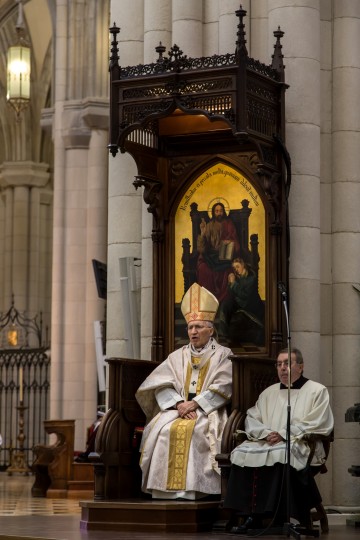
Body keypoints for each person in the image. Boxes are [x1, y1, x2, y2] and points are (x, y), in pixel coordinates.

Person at [135, 282, 232, 500]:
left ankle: (194, 491)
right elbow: (160, 383)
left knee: (197, 432)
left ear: (211, 329)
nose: (193, 331)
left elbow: (224, 385)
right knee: (162, 430)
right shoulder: (177, 355)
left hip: (208, 410)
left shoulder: (223, 354)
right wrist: (179, 404)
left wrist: (195, 404)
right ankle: (163, 491)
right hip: (178, 408)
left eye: (198, 326)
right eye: (190, 327)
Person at [224, 347, 334, 533]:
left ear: (301, 367)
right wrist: (266, 433)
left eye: (287, 363)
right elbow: (252, 417)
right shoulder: (269, 392)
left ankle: (273, 516)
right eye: (279, 364)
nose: (282, 368)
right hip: (267, 441)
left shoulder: (317, 390)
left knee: (280, 453)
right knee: (242, 453)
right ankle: (249, 515)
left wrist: (284, 433)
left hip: (301, 443)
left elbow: (319, 421)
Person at [197, 202, 240, 302]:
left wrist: (231, 243)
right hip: (211, 256)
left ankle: (224, 301)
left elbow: (236, 244)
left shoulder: (229, 224)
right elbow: (202, 249)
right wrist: (203, 234)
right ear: (213, 212)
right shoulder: (209, 226)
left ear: (224, 212)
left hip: (225, 256)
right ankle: (208, 301)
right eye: (217, 211)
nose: (219, 213)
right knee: (203, 269)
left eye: (221, 211)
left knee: (227, 271)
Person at [219, 258, 264, 343]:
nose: (236, 269)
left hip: (249, 305)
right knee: (225, 304)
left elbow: (244, 295)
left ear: (243, 265)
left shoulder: (251, 277)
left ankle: (225, 334)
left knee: (228, 306)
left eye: (237, 266)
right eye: (234, 267)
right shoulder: (237, 277)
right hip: (239, 302)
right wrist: (230, 283)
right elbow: (231, 293)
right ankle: (223, 334)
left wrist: (234, 283)